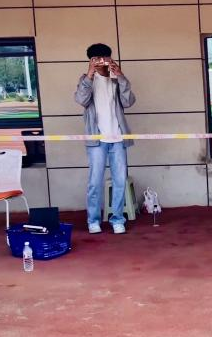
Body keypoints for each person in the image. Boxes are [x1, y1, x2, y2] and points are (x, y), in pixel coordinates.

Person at [74, 43, 136, 234]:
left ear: (110, 58)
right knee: (95, 182)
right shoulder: (86, 80)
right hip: (96, 139)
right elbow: (81, 100)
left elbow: (129, 101)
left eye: (105, 58)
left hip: (117, 137)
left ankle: (117, 219)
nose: (102, 61)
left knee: (120, 180)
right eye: (97, 59)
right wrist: (90, 74)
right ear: (91, 60)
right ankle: (93, 220)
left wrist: (121, 76)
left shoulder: (116, 79)